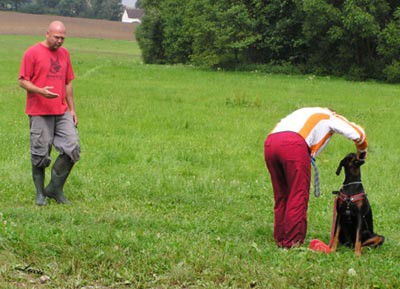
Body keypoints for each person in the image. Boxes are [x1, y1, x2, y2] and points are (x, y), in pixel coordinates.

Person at [264, 107, 367, 248]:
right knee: (297, 194)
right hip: (293, 145)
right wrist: (362, 150)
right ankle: (292, 243)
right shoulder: (329, 116)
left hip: (270, 143)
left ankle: (280, 238)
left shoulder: (305, 112)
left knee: (282, 195)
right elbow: (358, 134)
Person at [19, 21, 80, 206]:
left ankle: (54, 188)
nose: (60, 41)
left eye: (63, 38)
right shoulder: (32, 53)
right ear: (47, 34)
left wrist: (72, 108)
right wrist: (39, 91)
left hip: (61, 111)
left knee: (72, 148)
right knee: (40, 154)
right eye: (57, 37)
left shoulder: (65, 54)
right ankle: (40, 195)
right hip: (39, 111)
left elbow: (68, 82)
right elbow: (22, 81)